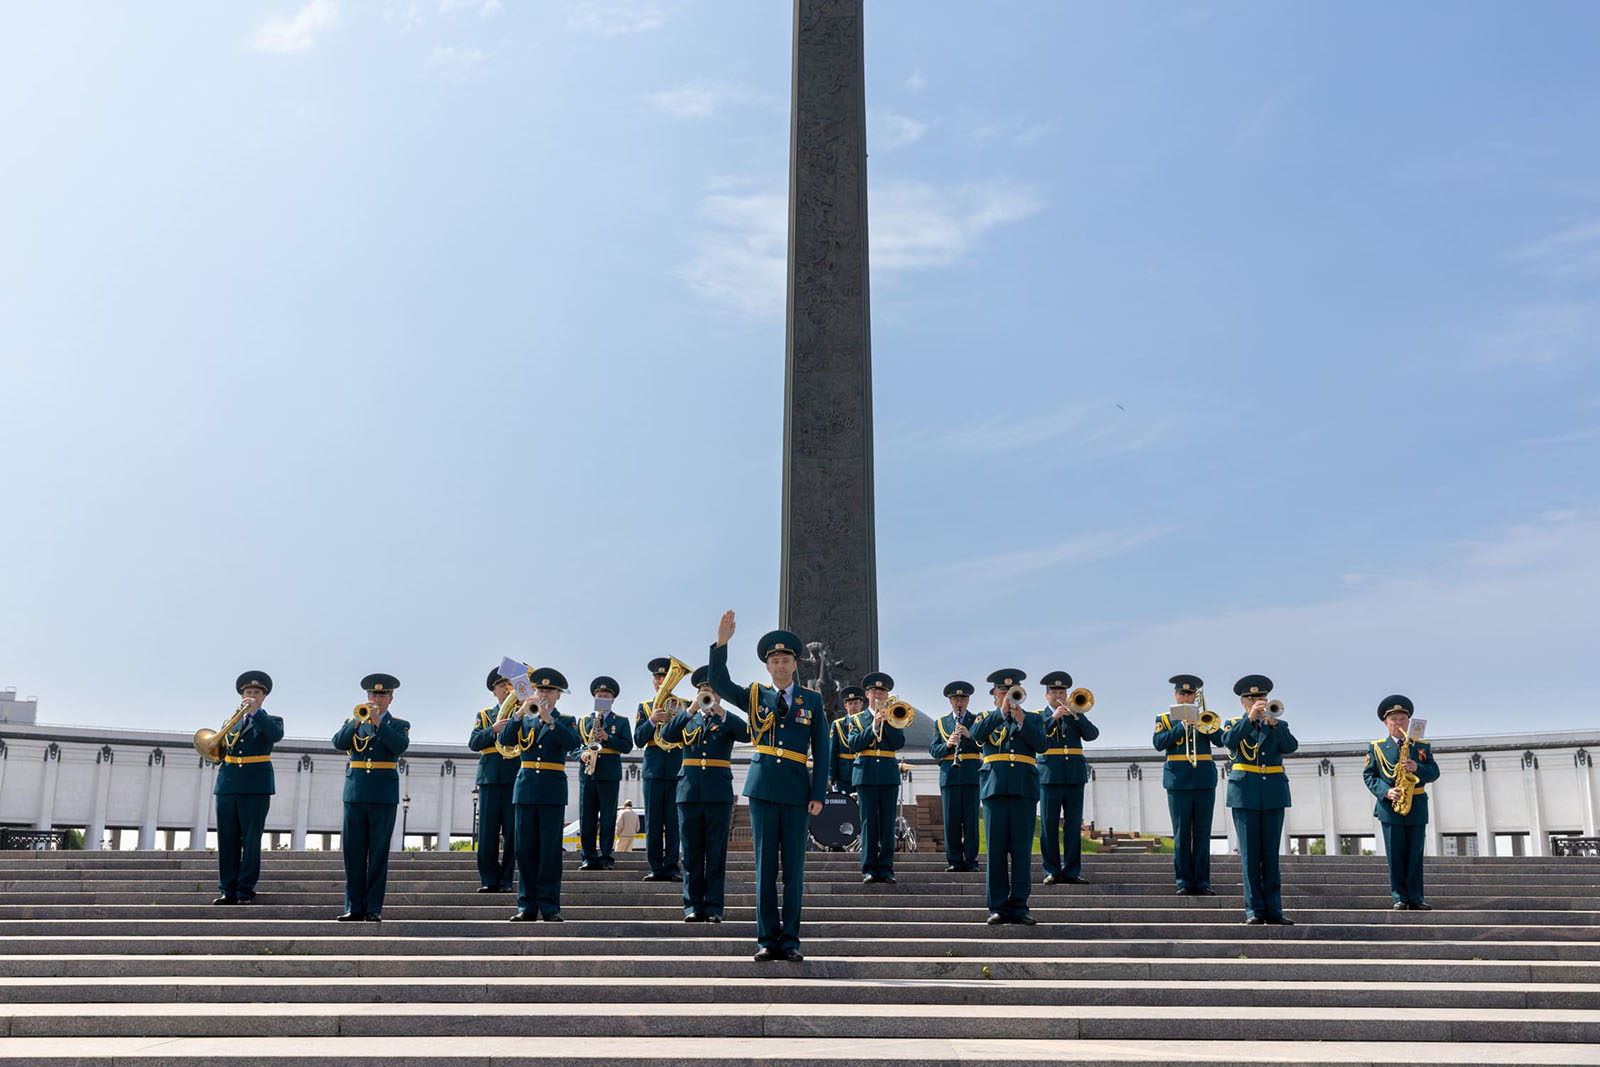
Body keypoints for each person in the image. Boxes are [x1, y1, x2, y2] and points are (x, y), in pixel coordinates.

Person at [706, 610, 827, 962]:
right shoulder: (756, 695)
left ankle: (789, 940)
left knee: (793, 870)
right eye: (774, 660)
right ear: (767, 666)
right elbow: (719, 681)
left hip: (795, 790)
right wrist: (721, 645)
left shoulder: (812, 701)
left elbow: (821, 749)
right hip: (761, 789)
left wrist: (817, 793)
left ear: (794, 664)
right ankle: (765, 939)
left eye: (785, 659)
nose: (779, 665)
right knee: (764, 869)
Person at [661, 665, 750, 923]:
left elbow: (746, 733)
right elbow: (667, 734)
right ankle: (692, 907)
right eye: (702, 689)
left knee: (715, 853)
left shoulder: (726, 719)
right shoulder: (689, 718)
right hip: (688, 792)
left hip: (718, 792)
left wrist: (721, 711)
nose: (706, 693)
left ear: (720, 694)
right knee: (690, 854)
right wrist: (690, 710)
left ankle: (713, 907)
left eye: (711, 690)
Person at [499, 667, 580, 922]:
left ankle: (550, 906)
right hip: (524, 790)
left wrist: (549, 720)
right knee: (524, 851)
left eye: (549, 690)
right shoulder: (523, 716)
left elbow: (573, 743)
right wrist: (518, 714)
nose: (544, 693)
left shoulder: (565, 720)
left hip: (552, 791)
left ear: (558, 695)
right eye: (540, 689)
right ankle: (526, 906)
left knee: (549, 852)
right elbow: (505, 740)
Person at [1221, 674, 1298, 926]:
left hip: (1274, 793)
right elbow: (1229, 742)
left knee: (1271, 856)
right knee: (1250, 857)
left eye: (1262, 698)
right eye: (1253, 699)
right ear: (1243, 701)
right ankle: (1254, 910)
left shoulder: (1277, 723)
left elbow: (1290, 747)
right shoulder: (1233, 724)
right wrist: (1250, 718)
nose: (1259, 702)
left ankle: (1274, 910)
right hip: (1245, 794)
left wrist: (1274, 724)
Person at [331, 673, 410, 922]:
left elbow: (399, 746)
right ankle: (353, 907)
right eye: (374, 694)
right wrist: (355, 723)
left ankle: (373, 907)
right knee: (353, 853)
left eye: (382, 695)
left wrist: (378, 723)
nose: (377, 698)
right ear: (367, 696)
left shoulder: (398, 724)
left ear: (391, 698)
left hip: (384, 795)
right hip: (355, 793)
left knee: (378, 854)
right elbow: (338, 742)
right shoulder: (352, 721)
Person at [971, 668, 1047, 925]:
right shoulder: (986, 717)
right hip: (995, 788)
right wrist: (1001, 713)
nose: (1007, 695)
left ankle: (1020, 906)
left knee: (1022, 852)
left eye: (1011, 691)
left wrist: (1021, 719)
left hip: (1024, 789)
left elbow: (1042, 745)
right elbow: (977, 736)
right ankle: (998, 906)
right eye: (1002, 691)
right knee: (996, 851)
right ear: (994, 695)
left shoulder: (1033, 718)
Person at [213, 670, 284, 905]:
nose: (250, 696)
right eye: (247, 693)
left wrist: (256, 712)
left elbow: (274, 736)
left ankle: (245, 890)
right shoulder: (229, 722)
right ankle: (227, 889)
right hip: (228, 785)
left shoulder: (272, 720)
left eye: (255, 693)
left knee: (251, 840)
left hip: (255, 787)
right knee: (227, 839)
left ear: (263, 697)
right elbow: (219, 750)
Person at [1363, 695, 1439, 911]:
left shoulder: (1421, 746)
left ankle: (1416, 897)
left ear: (1409, 721)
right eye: (1394, 719)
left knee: (1415, 854)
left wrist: (1418, 768)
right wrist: (1386, 791)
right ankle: (1399, 897)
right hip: (1391, 807)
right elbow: (1369, 775)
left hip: (1416, 804)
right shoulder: (1376, 747)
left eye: (1403, 719)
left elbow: (1434, 772)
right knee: (1395, 855)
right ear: (1386, 723)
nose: (1399, 723)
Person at [1152, 674, 1220, 896]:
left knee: (1202, 833)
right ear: (1175, 695)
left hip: (1203, 781)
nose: (1186, 697)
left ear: (1196, 696)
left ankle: (1202, 882)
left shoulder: (1205, 718)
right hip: (1178, 781)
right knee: (1181, 833)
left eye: (1190, 694)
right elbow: (1159, 743)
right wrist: (1181, 727)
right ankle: (1183, 881)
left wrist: (1204, 722)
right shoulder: (1164, 718)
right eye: (1182, 693)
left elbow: (1221, 740)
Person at [1038, 670, 1098, 886]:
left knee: (1073, 826)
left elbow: (1092, 735)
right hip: (1049, 776)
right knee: (1048, 826)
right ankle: (1051, 870)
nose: (1059, 696)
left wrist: (1077, 714)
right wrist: (1054, 718)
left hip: (1073, 775)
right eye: (1054, 692)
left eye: (1062, 691)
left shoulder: (1075, 715)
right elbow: (1036, 735)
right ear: (1047, 696)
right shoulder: (1039, 715)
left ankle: (1072, 870)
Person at [848, 672, 905, 885]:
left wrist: (887, 721)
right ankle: (869, 868)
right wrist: (874, 726)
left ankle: (886, 868)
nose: (878, 694)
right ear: (867, 694)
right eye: (874, 691)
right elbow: (854, 744)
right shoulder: (857, 719)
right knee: (869, 823)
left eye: (882, 691)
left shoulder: (894, 717)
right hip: (866, 774)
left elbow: (898, 742)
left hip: (888, 775)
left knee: (888, 824)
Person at [574, 675, 634, 871]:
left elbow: (627, 746)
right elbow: (573, 746)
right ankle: (588, 857)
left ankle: (607, 856)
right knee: (587, 818)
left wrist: (608, 738)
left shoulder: (622, 721)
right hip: (588, 774)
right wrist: (581, 754)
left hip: (609, 774)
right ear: (594, 697)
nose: (602, 698)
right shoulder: (583, 721)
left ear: (613, 699)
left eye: (606, 695)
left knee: (608, 818)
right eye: (599, 695)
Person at [467, 667, 518, 893]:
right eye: (501, 685)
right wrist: (493, 729)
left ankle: (507, 879)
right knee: (487, 833)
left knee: (512, 833)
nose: (506, 689)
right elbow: (474, 742)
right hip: (489, 777)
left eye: (509, 685)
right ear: (494, 691)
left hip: (514, 776)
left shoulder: (523, 712)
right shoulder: (485, 715)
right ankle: (488, 878)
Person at [634, 657, 685, 882]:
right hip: (653, 770)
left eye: (665, 677)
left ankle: (672, 865)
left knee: (674, 822)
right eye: (658, 677)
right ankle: (655, 866)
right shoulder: (645, 707)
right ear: (653, 680)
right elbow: (638, 739)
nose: (661, 681)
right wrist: (653, 720)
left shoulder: (683, 705)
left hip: (676, 767)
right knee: (654, 821)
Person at [928, 680, 981, 873]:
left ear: (968, 700)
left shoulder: (977, 720)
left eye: (963, 698)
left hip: (971, 775)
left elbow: (984, 746)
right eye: (956, 698)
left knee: (971, 821)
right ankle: (954, 860)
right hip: (949, 776)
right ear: (950, 701)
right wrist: (948, 745)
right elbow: (933, 750)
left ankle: (972, 860)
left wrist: (969, 736)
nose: (960, 702)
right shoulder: (941, 723)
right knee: (951, 822)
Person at [827, 686, 866, 796]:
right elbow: (832, 752)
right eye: (850, 704)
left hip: (864, 773)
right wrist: (832, 775)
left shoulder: (867, 724)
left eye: (856, 703)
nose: (853, 706)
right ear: (845, 705)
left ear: (861, 704)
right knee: (844, 808)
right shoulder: (838, 725)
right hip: (844, 775)